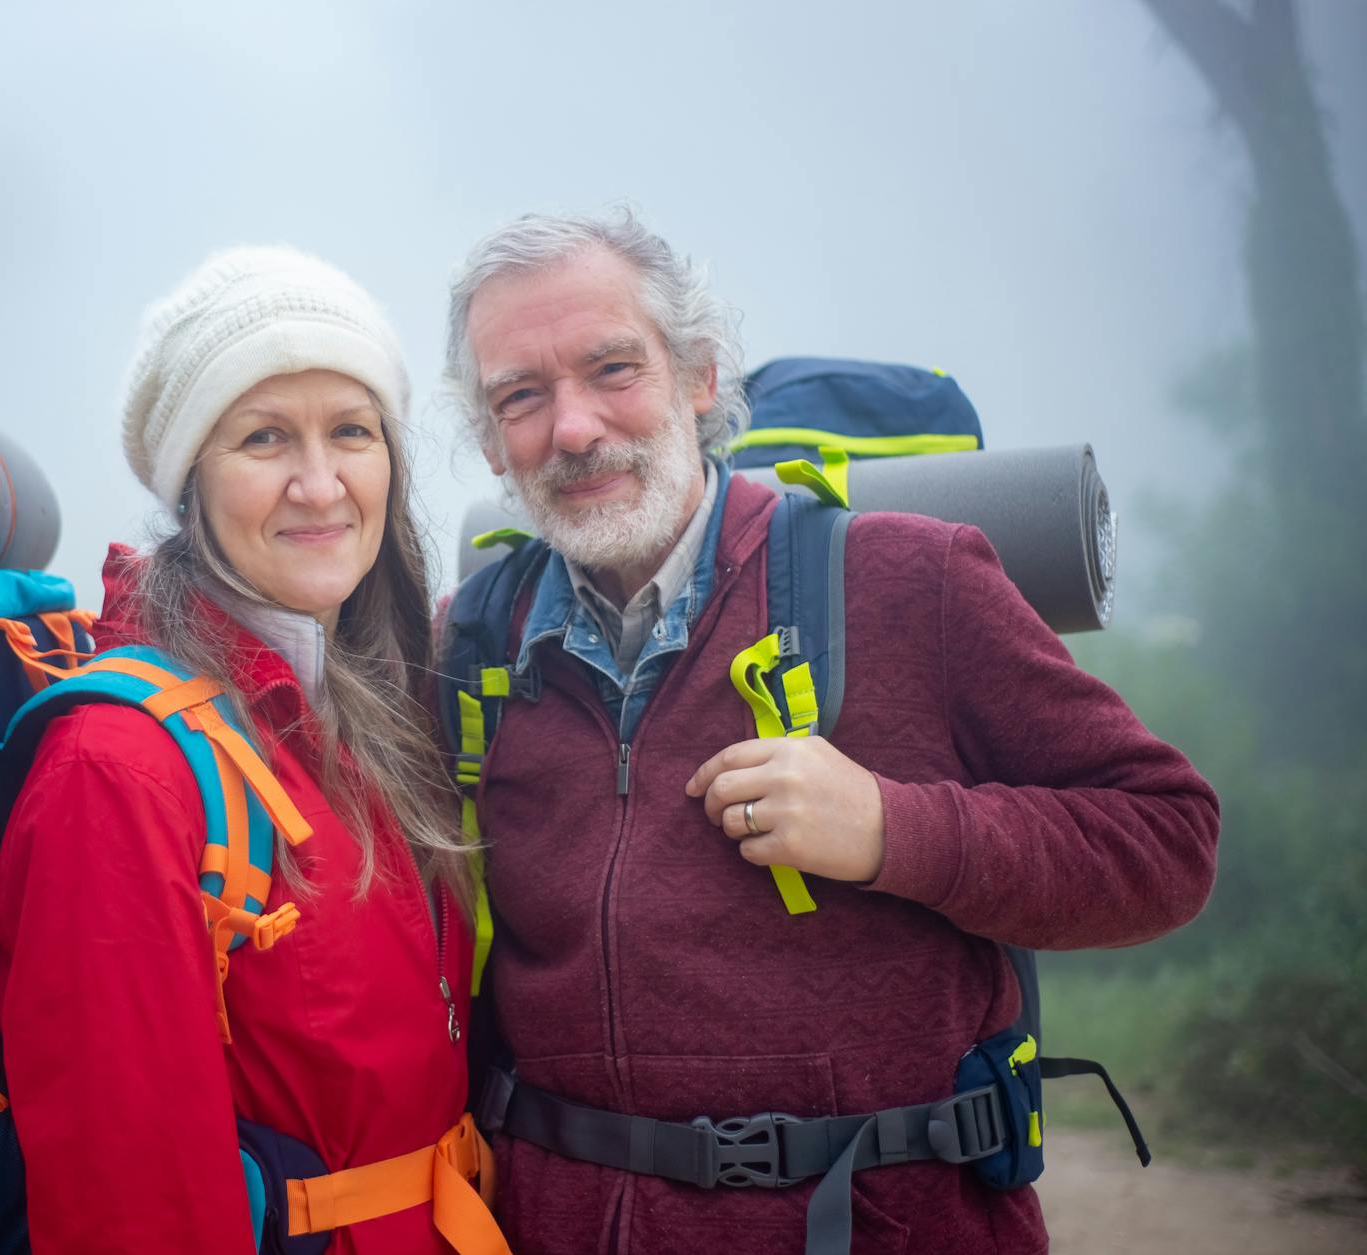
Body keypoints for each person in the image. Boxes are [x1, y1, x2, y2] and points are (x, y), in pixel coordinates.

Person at [438, 209, 1219, 1254]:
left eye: (611, 369)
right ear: (489, 438)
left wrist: (894, 830)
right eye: (520, 397)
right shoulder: (466, 647)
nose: (572, 429)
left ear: (699, 377)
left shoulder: (908, 579)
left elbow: (1166, 837)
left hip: (871, 1223)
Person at [0, 246, 508, 1253]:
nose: (320, 485)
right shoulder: (119, 771)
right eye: (264, 438)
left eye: (350, 432)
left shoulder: (368, 706)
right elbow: (126, 1204)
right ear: (188, 482)